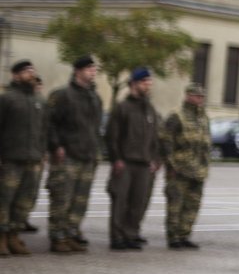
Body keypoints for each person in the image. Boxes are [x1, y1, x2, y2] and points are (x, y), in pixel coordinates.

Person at [45, 55, 104, 253]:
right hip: (67, 156)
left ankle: (71, 233)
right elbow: (49, 123)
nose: (93, 72)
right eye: (89, 68)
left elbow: (95, 128)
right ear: (77, 71)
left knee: (80, 200)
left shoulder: (95, 98)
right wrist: (55, 146)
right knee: (62, 197)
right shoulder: (62, 95)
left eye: (94, 69)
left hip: (87, 157)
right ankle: (57, 237)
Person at [105, 67, 163, 251]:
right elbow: (112, 136)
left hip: (144, 164)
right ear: (135, 84)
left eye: (150, 82)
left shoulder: (149, 109)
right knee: (120, 202)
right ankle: (117, 237)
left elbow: (155, 137)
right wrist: (116, 159)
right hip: (126, 162)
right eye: (146, 82)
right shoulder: (123, 107)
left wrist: (155, 159)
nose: (149, 85)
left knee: (138, 202)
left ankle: (131, 234)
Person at [0, 59, 47, 257]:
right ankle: (1, 238)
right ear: (16, 75)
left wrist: (42, 153)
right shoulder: (7, 99)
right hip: (11, 160)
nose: (31, 74)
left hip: (33, 160)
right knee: (4, 200)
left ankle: (14, 235)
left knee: (25, 201)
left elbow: (44, 130)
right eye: (27, 71)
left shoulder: (39, 101)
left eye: (32, 70)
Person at [161, 82, 212, 249]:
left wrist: (205, 166)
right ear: (188, 96)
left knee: (192, 205)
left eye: (202, 97)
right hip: (180, 170)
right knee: (175, 205)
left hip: (198, 170)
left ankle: (184, 234)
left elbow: (206, 143)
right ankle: (173, 236)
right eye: (197, 96)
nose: (200, 99)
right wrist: (171, 166)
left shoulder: (203, 117)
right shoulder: (176, 116)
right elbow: (166, 142)